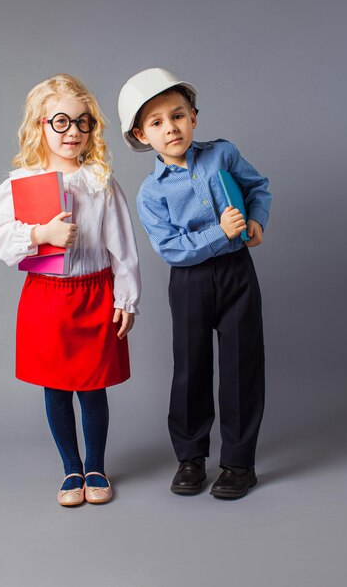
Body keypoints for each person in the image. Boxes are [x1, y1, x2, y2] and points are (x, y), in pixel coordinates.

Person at [0, 74, 141, 507]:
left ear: (92, 127)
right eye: (61, 121)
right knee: (55, 386)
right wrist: (40, 233)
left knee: (92, 386)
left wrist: (126, 298)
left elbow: (122, 246)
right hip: (46, 296)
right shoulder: (24, 181)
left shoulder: (100, 180)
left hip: (94, 292)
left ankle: (96, 466)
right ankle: (71, 467)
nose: (73, 131)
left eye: (82, 122)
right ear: (40, 126)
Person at [118, 68, 271, 499]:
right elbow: (170, 249)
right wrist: (218, 232)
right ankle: (190, 458)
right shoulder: (150, 192)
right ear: (141, 135)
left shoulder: (223, 154)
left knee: (242, 365)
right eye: (157, 122)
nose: (171, 128)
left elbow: (258, 186)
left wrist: (256, 221)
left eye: (178, 115)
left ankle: (239, 464)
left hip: (237, 273)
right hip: (189, 282)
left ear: (194, 118)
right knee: (191, 367)